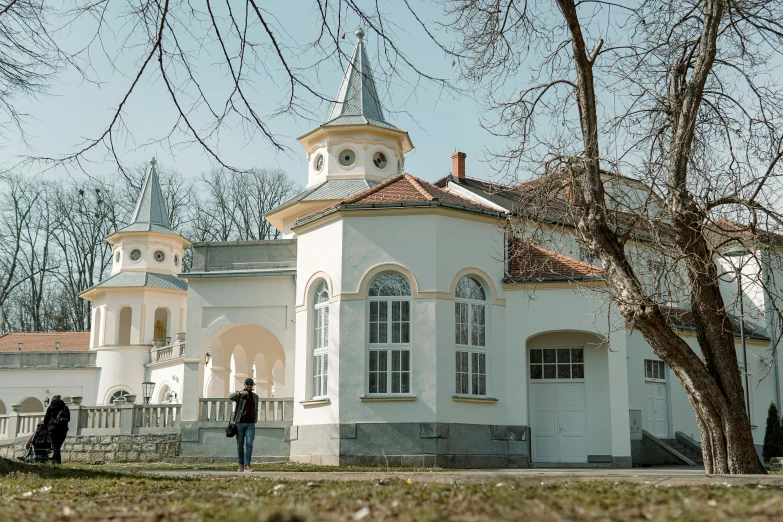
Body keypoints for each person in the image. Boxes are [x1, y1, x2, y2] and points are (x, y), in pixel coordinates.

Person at [229, 378, 259, 472]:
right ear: (245, 385)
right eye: (247, 384)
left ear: (253, 385)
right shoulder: (240, 395)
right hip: (239, 423)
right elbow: (231, 396)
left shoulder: (255, 396)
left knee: (249, 444)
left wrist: (255, 420)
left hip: (250, 424)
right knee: (240, 445)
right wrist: (240, 393)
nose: (249, 385)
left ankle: (247, 465)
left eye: (251, 384)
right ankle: (241, 465)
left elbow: (256, 409)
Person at [42, 395, 70, 464]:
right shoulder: (65, 407)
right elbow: (68, 419)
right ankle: (54, 461)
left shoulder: (51, 407)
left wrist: (48, 425)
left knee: (55, 446)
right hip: (63, 429)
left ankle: (58, 462)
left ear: (52, 400)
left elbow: (46, 420)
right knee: (58, 446)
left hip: (53, 429)